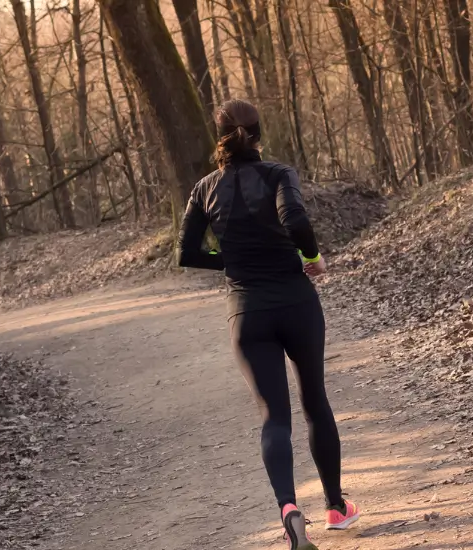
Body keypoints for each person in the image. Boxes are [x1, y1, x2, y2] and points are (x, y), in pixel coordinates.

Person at [177, 100, 359, 549]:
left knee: (273, 416)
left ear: (218, 136)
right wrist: (312, 258)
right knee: (314, 400)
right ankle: (336, 507)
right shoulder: (278, 174)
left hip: (247, 311)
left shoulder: (204, 188)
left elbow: (186, 253)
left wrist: (232, 260)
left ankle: (288, 508)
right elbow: (295, 220)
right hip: (296, 302)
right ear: (259, 133)